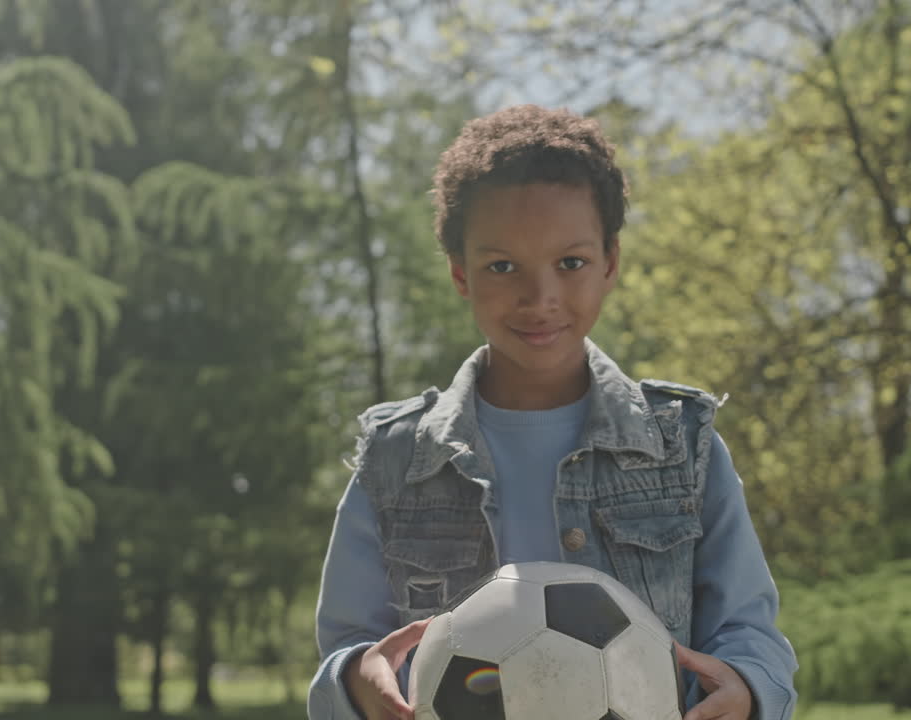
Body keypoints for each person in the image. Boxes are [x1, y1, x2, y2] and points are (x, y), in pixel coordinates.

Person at [307, 104, 797, 720]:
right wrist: (356, 681)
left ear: (610, 262)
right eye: (502, 266)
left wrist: (747, 689)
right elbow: (349, 650)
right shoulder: (396, 460)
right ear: (461, 274)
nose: (540, 298)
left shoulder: (681, 448)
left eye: (570, 263)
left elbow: (751, 634)